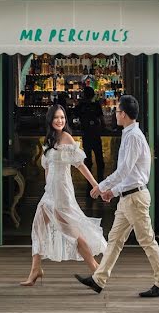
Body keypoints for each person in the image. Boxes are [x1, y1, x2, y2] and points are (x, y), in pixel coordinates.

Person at [74, 94, 159, 298]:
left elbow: (125, 170)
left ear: (124, 114)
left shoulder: (133, 136)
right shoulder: (129, 133)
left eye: (117, 111)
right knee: (115, 239)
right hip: (128, 197)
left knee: (147, 240)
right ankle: (99, 279)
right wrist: (114, 192)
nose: (115, 114)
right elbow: (130, 173)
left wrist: (101, 187)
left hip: (135, 199)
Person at [20, 104, 107, 286]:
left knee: (71, 232)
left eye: (62, 118)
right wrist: (46, 188)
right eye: (56, 118)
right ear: (50, 120)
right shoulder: (49, 140)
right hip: (50, 193)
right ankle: (36, 269)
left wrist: (96, 185)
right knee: (38, 227)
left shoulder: (67, 138)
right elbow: (47, 167)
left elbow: (80, 165)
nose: (60, 121)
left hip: (62, 192)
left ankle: (96, 269)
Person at [74, 86, 106, 183]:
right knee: (99, 159)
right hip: (95, 135)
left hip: (86, 135)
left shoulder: (80, 106)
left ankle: (89, 182)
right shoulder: (96, 105)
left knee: (88, 160)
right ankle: (100, 180)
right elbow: (102, 120)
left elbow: (74, 119)